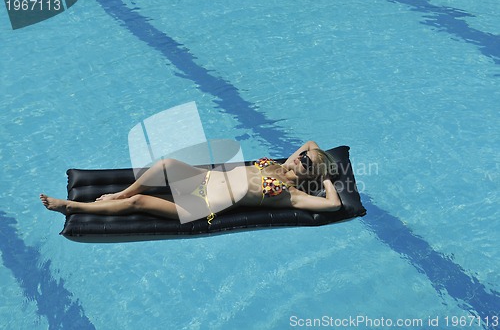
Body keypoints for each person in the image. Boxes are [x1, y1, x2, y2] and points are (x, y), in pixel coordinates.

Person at [40, 141, 341, 224]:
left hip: (203, 205)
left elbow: (333, 204)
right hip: (204, 178)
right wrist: (314, 157)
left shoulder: (290, 195)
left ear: (311, 173)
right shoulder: (281, 165)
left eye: (307, 162)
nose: (301, 158)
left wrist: (325, 176)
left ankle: (70, 206)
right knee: (166, 164)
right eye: (302, 156)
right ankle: (119, 192)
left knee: (139, 203)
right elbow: (311, 142)